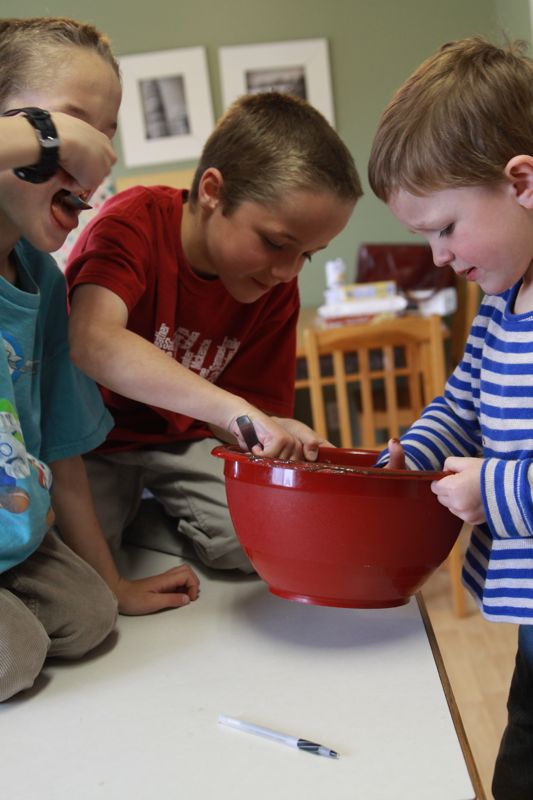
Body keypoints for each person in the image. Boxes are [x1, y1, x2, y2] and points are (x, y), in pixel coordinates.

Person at [65, 91, 361, 572]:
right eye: (275, 242)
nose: (287, 271)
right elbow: (92, 341)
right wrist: (236, 410)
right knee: (87, 568)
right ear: (212, 191)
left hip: (181, 443)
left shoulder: (274, 286)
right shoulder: (132, 222)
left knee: (262, 547)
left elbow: (250, 413)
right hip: (91, 441)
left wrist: (280, 430)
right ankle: (128, 526)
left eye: (308, 254)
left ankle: (143, 523)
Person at [0, 17, 200, 702]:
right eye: (68, 122)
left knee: (91, 618)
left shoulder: (44, 280)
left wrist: (113, 583)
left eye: (106, 132)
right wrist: (49, 136)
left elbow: (62, 448)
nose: (95, 151)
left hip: (16, 535)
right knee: (16, 655)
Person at [367, 36, 533, 800]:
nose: (436, 255)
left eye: (443, 227)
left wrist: (493, 491)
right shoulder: (500, 307)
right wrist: (421, 448)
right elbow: (463, 398)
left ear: (521, 183)